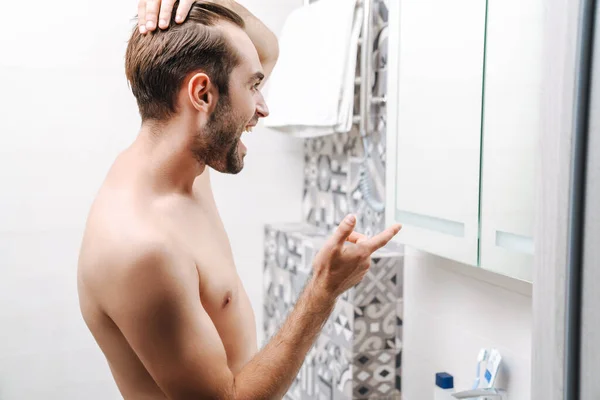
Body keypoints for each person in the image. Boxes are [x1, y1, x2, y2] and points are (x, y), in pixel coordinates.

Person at [77, 0, 402, 398]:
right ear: (202, 94)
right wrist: (324, 290)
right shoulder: (141, 247)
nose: (263, 107)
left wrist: (210, 1)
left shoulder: (184, 163)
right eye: (253, 87)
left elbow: (265, 51)